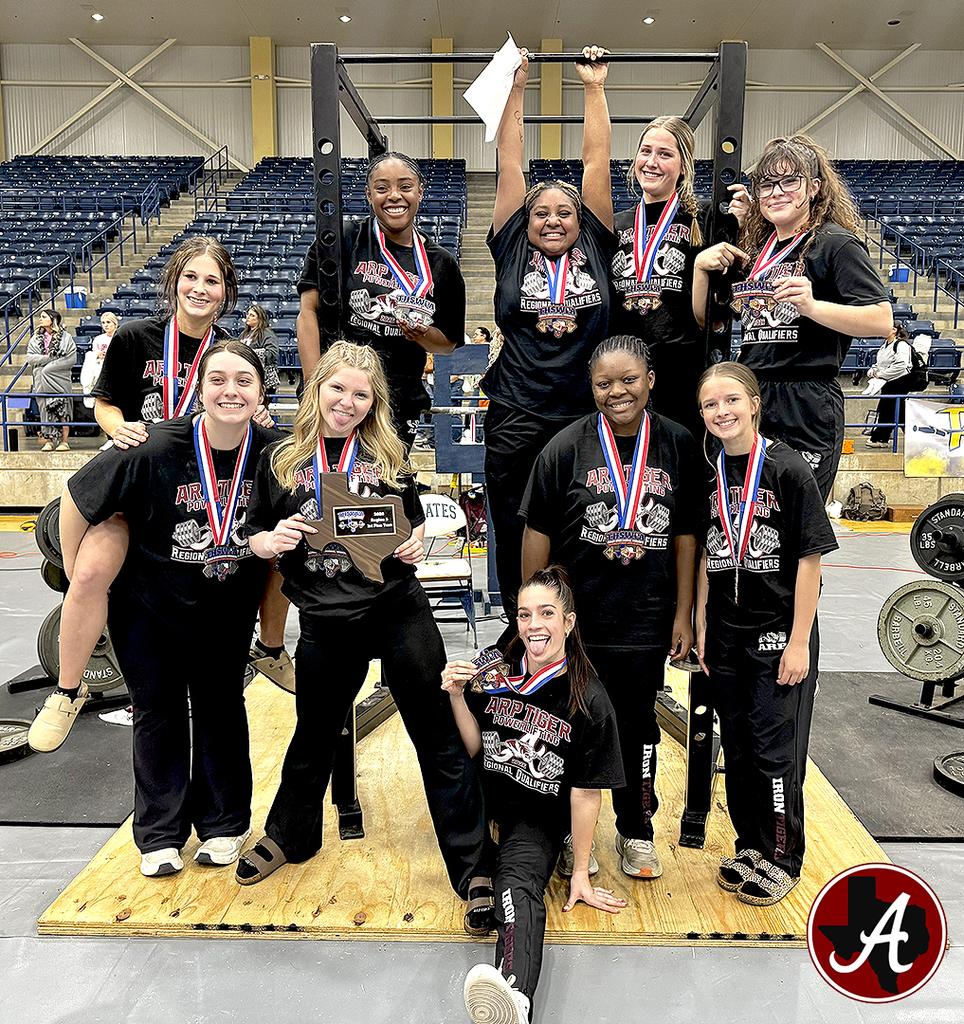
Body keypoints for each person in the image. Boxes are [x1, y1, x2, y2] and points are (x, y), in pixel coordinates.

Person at [235, 341, 491, 935]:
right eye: (337, 389)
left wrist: (420, 541)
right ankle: (288, 835)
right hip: (326, 620)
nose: (347, 403)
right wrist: (267, 541)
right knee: (314, 733)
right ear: (316, 387)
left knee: (437, 730)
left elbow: (413, 524)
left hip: (397, 609)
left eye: (360, 394)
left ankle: (474, 864)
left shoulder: (387, 456)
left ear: (373, 401)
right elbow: (250, 530)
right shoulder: (275, 457)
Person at [27, 239, 289, 753]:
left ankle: (271, 649)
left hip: (201, 488)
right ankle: (66, 690)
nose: (199, 288)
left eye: (212, 281)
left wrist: (256, 416)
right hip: (137, 481)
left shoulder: (230, 354)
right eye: (190, 277)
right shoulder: (134, 337)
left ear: (226, 293)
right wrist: (118, 426)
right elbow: (104, 405)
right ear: (173, 281)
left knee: (276, 544)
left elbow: (244, 407)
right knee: (90, 573)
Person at [42, 341, 282, 876]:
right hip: (149, 606)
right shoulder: (153, 446)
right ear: (199, 389)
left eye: (244, 380)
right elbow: (78, 497)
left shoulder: (276, 452)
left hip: (225, 606)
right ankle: (159, 833)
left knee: (221, 710)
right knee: (157, 713)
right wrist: (76, 570)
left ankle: (223, 825)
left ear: (262, 392)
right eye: (217, 379)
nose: (230, 391)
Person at [520, 335, 700, 881]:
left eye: (628, 380)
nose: (617, 391)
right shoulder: (565, 447)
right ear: (591, 386)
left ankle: (636, 830)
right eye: (604, 383)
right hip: (579, 623)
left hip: (644, 619)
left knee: (637, 728)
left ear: (651, 379)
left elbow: (688, 535)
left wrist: (683, 614)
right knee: (568, 726)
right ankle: (576, 839)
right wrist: (535, 616)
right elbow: (537, 534)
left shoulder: (679, 442)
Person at [442, 566, 626, 1024]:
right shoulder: (495, 669)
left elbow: (586, 795)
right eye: (524, 615)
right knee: (443, 767)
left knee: (517, 887)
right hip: (489, 800)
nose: (533, 625)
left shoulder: (588, 699)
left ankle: (514, 994)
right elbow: (473, 746)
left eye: (546, 613)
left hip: (535, 816)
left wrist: (581, 871)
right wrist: (458, 697)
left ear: (569, 622)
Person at [695, 362, 837, 906]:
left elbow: (809, 559)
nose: (721, 412)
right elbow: (709, 553)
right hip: (727, 634)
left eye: (731, 400)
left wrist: (800, 639)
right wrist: (703, 623)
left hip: (779, 632)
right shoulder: (711, 470)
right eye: (710, 404)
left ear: (755, 403)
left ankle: (783, 855)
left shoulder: (786, 468)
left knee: (776, 752)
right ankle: (752, 844)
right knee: (741, 744)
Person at [483, 46, 615, 630]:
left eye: (566, 211)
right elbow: (511, 162)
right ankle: (522, 632)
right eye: (543, 212)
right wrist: (517, 88)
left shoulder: (598, 243)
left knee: (584, 522)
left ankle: (577, 634)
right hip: (517, 408)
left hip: (585, 413)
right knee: (514, 524)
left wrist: (593, 87)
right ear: (526, 219)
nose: (555, 218)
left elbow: (596, 162)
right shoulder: (511, 242)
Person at [693, 134, 893, 500]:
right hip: (753, 397)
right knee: (750, 517)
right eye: (767, 184)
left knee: (797, 523)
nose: (776, 192)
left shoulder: (836, 243)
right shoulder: (756, 250)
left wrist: (813, 306)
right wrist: (701, 270)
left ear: (815, 187)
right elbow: (712, 318)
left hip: (807, 399)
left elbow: (881, 320)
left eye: (790, 181)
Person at [296, 152, 466, 449]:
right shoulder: (341, 238)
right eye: (382, 187)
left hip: (399, 397)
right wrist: (314, 388)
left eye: (405, 186)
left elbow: (448, 343)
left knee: (384, 486)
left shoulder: (442, 263)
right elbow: (308, 313)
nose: (394, 196)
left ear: (420, 191)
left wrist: (424, 335)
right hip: (338, 393)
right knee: (329, 481)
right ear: (368, 193)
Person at [609, 116, 714, 438]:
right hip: (624, 376)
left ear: (684, 165)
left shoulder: (704, 219)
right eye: (645, 151)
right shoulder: (616, 223)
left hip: (682, 375)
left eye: (665, 154)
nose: (651, 162)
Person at [865, 325, 927, 448]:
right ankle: (916, 437)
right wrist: (872, 371)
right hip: (888, 382)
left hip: (901, 381)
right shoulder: (884, 346)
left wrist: (881, 374)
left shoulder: (902, 345)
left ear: (894, 330)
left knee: (888, 408)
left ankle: (880, 438)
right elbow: (879, 364)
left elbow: (902, 366)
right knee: (896, 410)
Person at [26, 309, 77, 452]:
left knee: (63, 411)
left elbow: (70, 359)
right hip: (41, 381)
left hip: (60, 380)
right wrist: (50, 359)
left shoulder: (66, 338)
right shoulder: (35, 338)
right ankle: (48, 441)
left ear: (52, 319)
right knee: (44, 410)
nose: (40, 319)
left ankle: (64, 442)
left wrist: (48, 368)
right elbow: (30, 358)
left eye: (43, 317)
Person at [80, 312, 119, 409]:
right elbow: (93, 355)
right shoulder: (98, 339)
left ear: (115, 324)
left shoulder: (120, 336)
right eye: (103, 323)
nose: (106, 325)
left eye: (108, 322)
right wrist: (97, 354)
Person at [239, 303, 281, 393]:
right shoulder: (244, 334)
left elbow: (272, 353)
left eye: (252, 315)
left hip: (262, 377)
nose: (248, 317)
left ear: (259, 319)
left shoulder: (266, 333)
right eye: (248, 314)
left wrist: (251, 354)